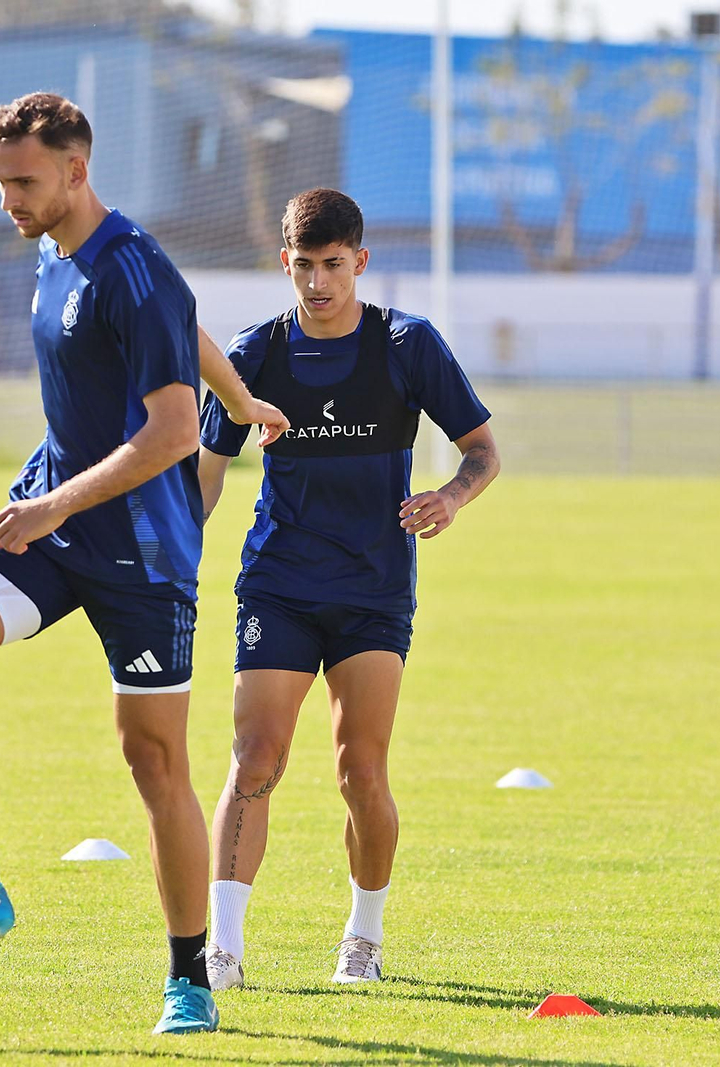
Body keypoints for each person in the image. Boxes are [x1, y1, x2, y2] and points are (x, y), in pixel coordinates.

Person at [0, 92, 283, 1036]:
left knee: (153, 758)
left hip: (142, 552)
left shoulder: (138, 271)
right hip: (54, 521)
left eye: (23, 181)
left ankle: (189, 978)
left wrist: (58, 499)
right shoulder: (56, 249)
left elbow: (172, 433)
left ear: (77, 172)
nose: (7, 198)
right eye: (1, 178)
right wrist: (245, 395)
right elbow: (191, 336)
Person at [196, 187, 499, 989]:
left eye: (334, 265)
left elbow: (481, 450)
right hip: (279, 583)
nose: (319, 282)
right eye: (305, 266)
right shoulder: (254, 353)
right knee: (255, 756)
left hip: (373, 589)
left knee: (360, 769)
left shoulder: (407, 344)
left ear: (359, 261)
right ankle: (220, 950)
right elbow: (207, 473)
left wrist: (451, 497)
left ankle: (363, 938)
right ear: (285, 263)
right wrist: (168, 555)